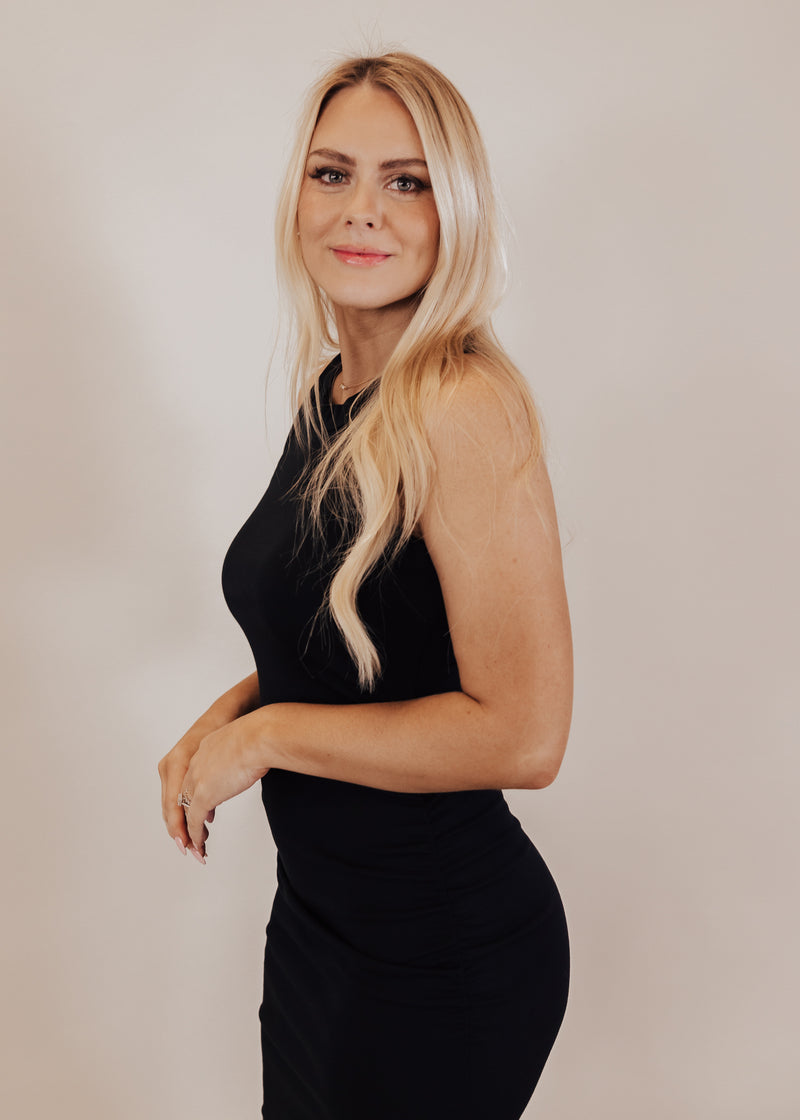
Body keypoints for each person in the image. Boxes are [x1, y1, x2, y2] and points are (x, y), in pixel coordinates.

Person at [158, 51, 573, 1120]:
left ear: (454, 211)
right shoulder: (338, 392)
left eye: (406, 181)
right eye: (332, 172)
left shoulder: (460, 405)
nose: (362, 211)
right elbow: (340, 639)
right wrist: (224, 717)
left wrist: (264, 738)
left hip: (439, 953)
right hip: (321, 927)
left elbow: (525, 735)